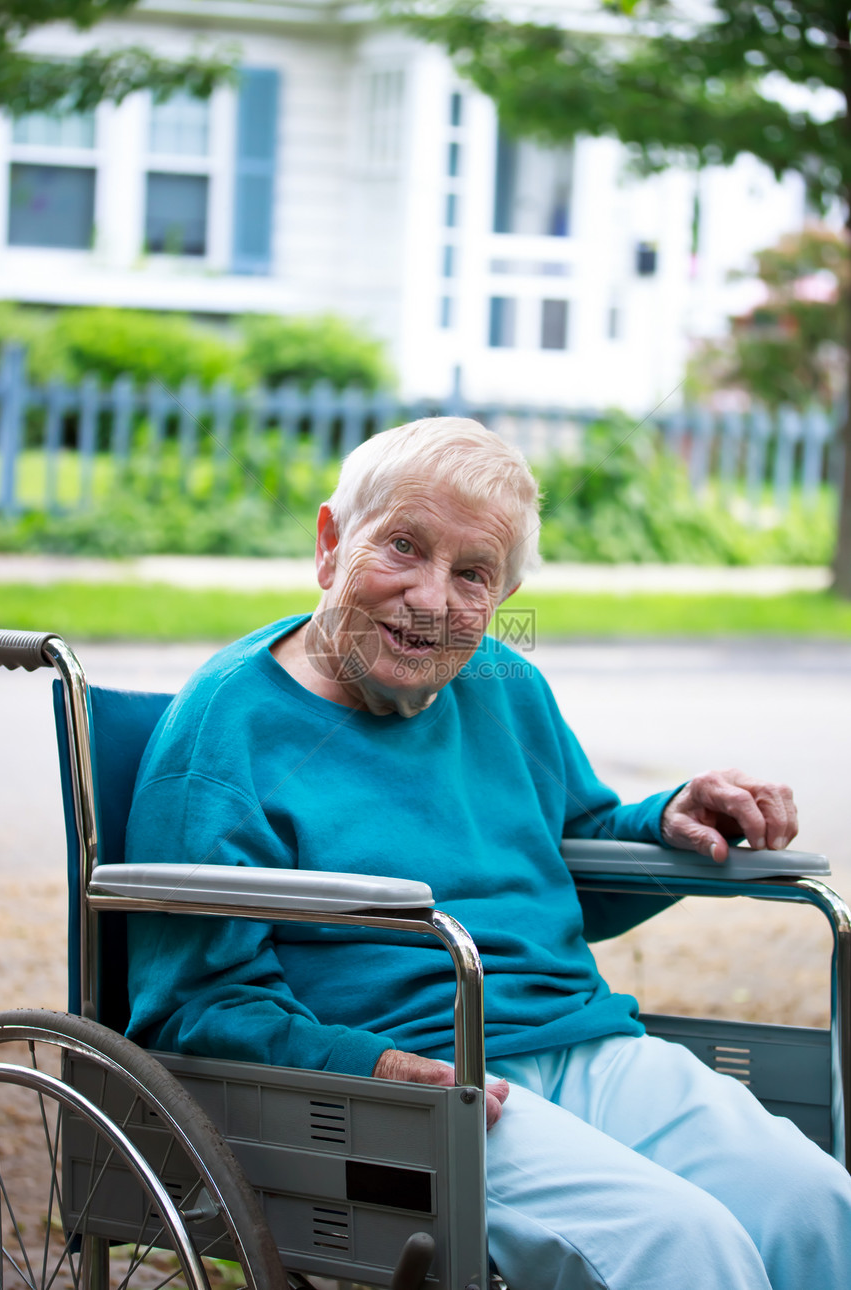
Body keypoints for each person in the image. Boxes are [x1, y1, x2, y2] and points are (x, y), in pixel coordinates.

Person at [126, 417, 851, 1290]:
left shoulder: (506, 685)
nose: (431, 601)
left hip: (585, 1044)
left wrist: (669, 820)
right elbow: (194, 1003)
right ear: (329, 543)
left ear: (500, 597)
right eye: (402, 546)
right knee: (681, 1246)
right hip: (404, 1089)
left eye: (472, 575)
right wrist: (370, 1069)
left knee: (814, 1202)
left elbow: (571, 858)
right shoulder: (227, 732)